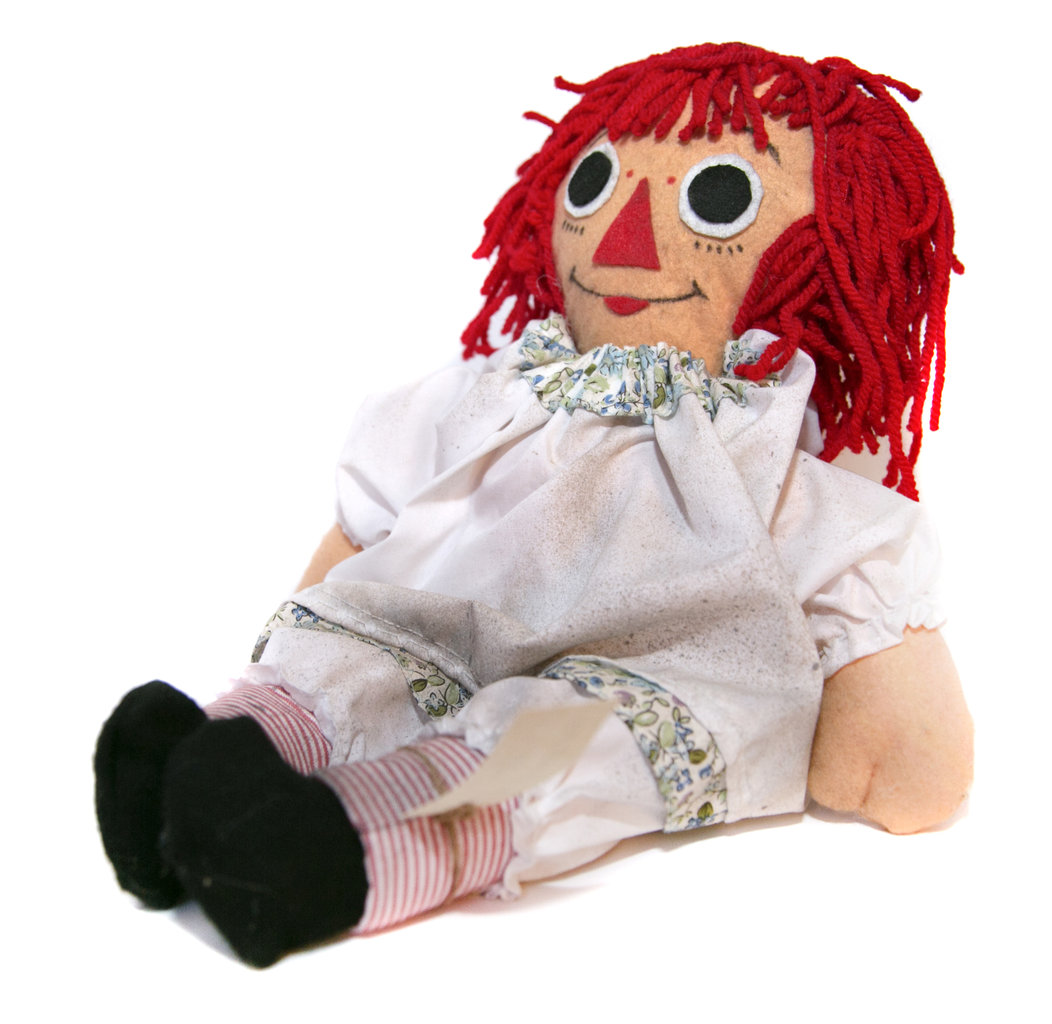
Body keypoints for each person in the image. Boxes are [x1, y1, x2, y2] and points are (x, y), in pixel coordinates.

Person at [94, 42, 973, 968]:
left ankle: (337, 856)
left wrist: (888, 725)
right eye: (596, 184)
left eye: (715, 199)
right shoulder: (516, 384)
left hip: (641, 664)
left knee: (558, 746)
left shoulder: (758, 449)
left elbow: (847, 566)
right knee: (362, 646)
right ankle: (219, 756)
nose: (625, 235)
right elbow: (379, 506)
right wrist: (328, 610)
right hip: (446, 612)